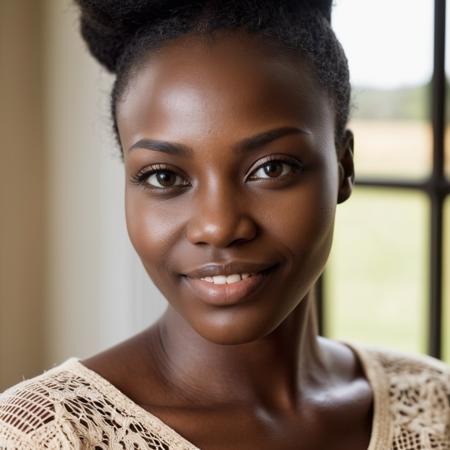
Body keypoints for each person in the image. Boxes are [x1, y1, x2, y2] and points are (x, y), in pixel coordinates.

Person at [1, 1, 449, 449]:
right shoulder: (43, 437)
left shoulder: (438, 406)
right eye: (163, 176)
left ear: (344, 167)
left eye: (272, 168)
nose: (218, 227)